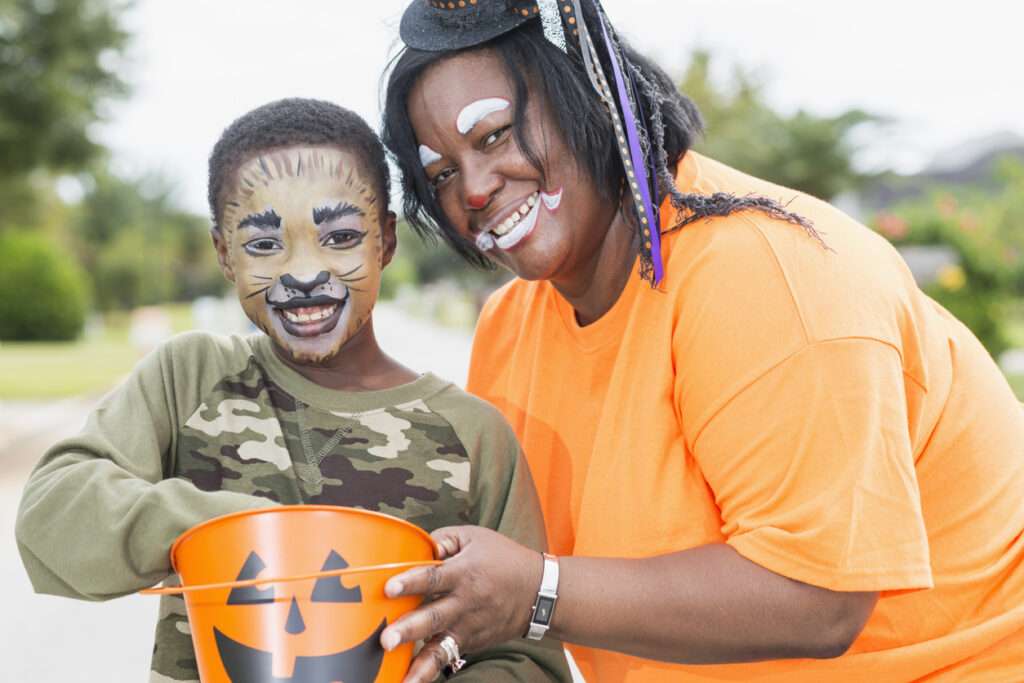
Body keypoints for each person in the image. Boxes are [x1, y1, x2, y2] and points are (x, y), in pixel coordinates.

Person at [377, 1, 1024, 681]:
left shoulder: (767, 274)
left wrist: (535, 594)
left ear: (589, 96)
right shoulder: (509, 327)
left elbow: (822, 599)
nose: (475, 188)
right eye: (442, 174)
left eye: (495, 136)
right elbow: (513, 578)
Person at [15, 98, 570, 682]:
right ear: (224, 254)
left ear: (386, 239)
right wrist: (236, 533)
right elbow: (53, 512)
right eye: (263, 245)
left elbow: (528, 661)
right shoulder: (190, 377)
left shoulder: (474, 437)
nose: (304, 272)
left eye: (340, 236)